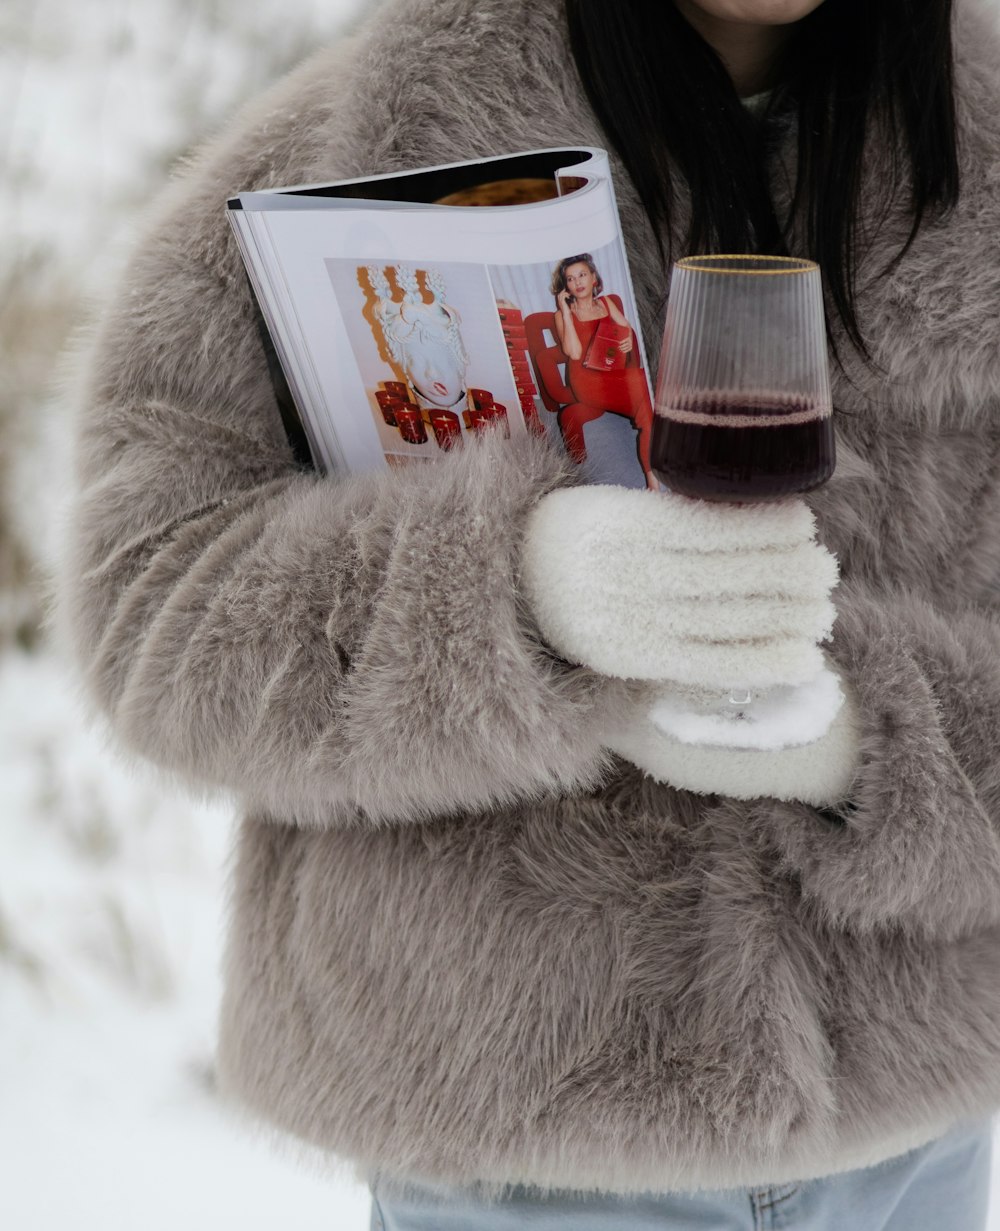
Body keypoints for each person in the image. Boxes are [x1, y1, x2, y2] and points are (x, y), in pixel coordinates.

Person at [59, 0, 1000, 1228]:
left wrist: (869, 741)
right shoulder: (366, 147)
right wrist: (516, 595)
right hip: (523, 1149)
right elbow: (151, 605)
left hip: (913, 1141)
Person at [550, 254, 658, 489]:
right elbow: (574, 353)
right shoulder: (562, 315)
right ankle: (653, 473)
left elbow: (625, 327)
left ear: (594, 278)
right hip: (587, 382)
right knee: (642, 384)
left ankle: (652, 478)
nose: (577, 282)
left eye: (582, 275)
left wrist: (627, 339)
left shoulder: (607, 303)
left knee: (645, 399)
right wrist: (567, 313)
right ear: (566, 286)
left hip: (613, 372)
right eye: (570, 279)